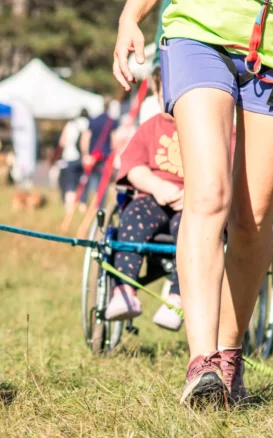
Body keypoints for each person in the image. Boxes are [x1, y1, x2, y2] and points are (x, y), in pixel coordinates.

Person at [114, 0, 273, 407]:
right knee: (209, 193)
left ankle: (227, 358)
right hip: (198, 31)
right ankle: (201, 362)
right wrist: (129, 16)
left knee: (254, 218)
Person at [105, 68, 184, 331]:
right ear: (157, 93)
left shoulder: (215, 129)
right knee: (132, 218)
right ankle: (124, 292)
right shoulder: (150, 127)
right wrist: (157, 186)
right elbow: (133, 166)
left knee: (194, 231)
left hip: (195, 202)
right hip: (152, 195)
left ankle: (177, 298)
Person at [80, 98, 118, 205]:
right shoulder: (112, 121)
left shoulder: (93, 120)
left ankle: (85, 203)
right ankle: (100, 206)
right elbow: (114, 140)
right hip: (105, 156)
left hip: (92, 156)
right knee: (103, 183)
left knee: (89, 180)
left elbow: (85, 139)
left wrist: (85, 155)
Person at [57, 110, 90, 213]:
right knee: (82, 182)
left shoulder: (70, 125)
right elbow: (85, 142)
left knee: (69, 183)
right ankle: (82, 205)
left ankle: (69, 207)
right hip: (80, 158)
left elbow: (62, 142)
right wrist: (85, 155)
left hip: (68, 157)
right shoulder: (86, 124)